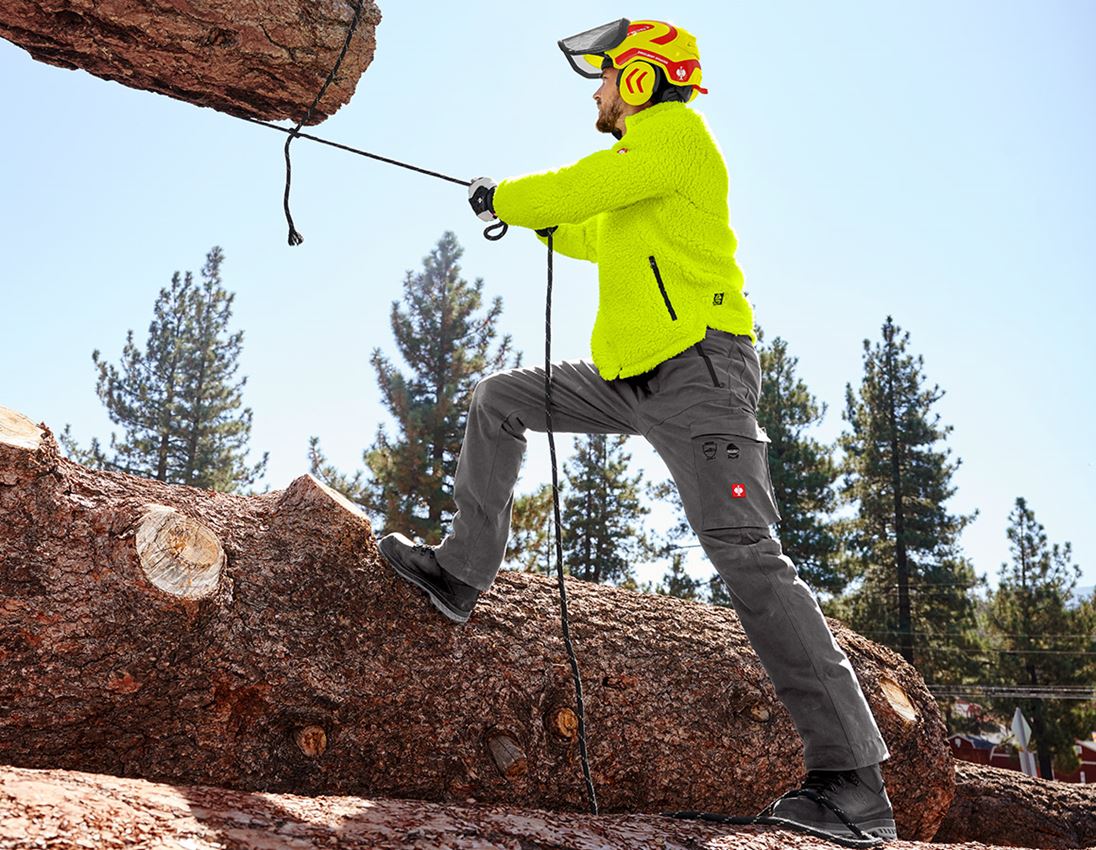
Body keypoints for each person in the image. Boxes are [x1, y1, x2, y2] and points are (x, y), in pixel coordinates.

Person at [379, 18, 897, 842]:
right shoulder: (641, 168)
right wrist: (529, 216)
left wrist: (512, 197)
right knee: (499, 398)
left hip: (699, 375)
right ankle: (459, 574)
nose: (597, 91)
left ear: (646, 80)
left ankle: (855, 787)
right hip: (626, 379)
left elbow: (581, 189)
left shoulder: (676, 133)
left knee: (750, 562)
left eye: (607, 77)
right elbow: (591, 226)